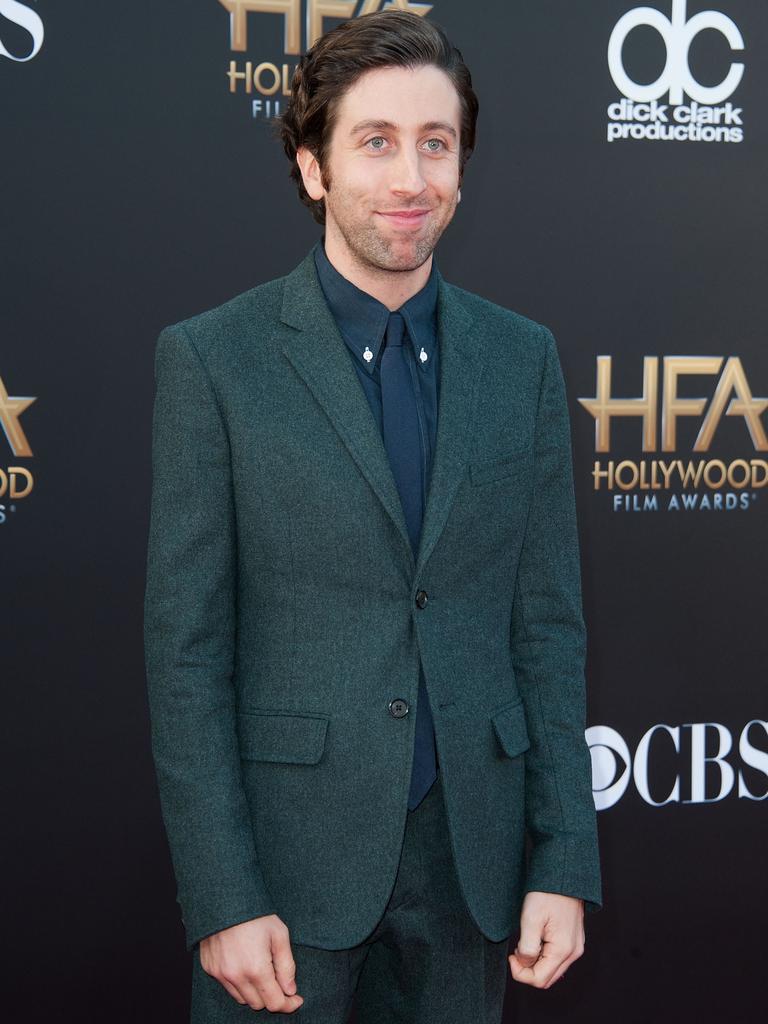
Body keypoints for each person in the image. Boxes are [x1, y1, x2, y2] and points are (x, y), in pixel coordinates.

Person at [143, 10, 601, 1023]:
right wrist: (223, 893)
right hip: (285, 869)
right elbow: (186, 653)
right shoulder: (215, 361)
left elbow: (547, 627)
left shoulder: (520, 359)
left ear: (463, 168)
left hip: (470, 872)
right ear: (313, 168)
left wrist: (563, 855)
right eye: (377, 142)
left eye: (436, 144)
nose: (411, 179)